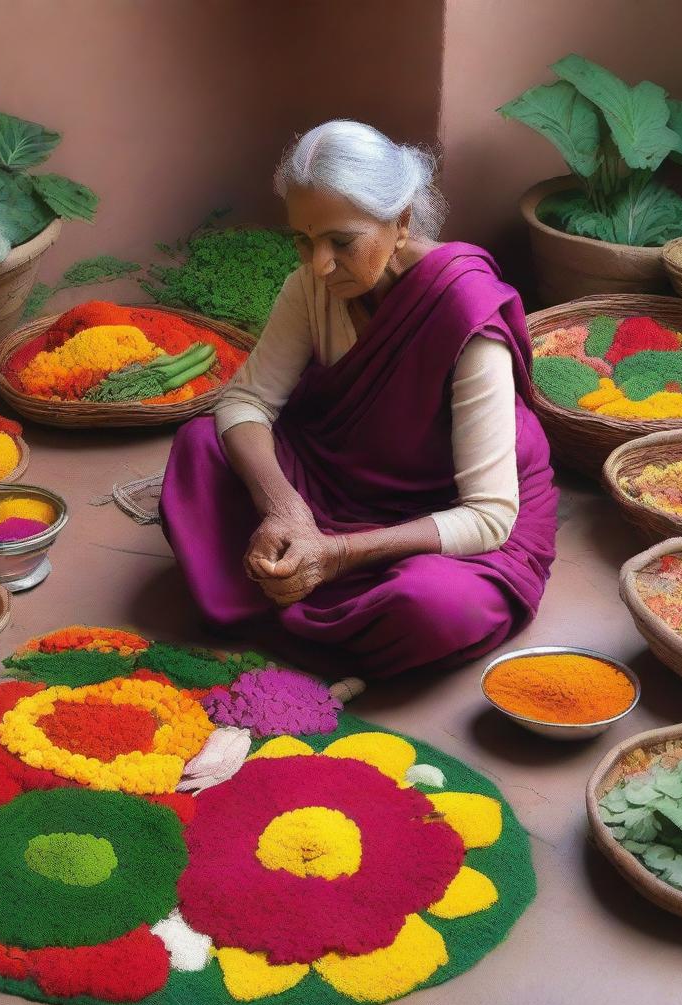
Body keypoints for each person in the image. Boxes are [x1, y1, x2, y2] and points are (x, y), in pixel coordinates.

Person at [160, 119, 558, 680]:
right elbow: (246, 401)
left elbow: (489, 517)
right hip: (332, 484)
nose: (319, 263)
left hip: (442, 518)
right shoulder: (311, 284)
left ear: (400, 223)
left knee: (431, 606)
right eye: (303, 239)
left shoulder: (465, 314)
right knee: (202, 448)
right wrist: (285, 507)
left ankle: (297, 593)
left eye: (341, 242)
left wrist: (334, 554)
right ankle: (309, 587)